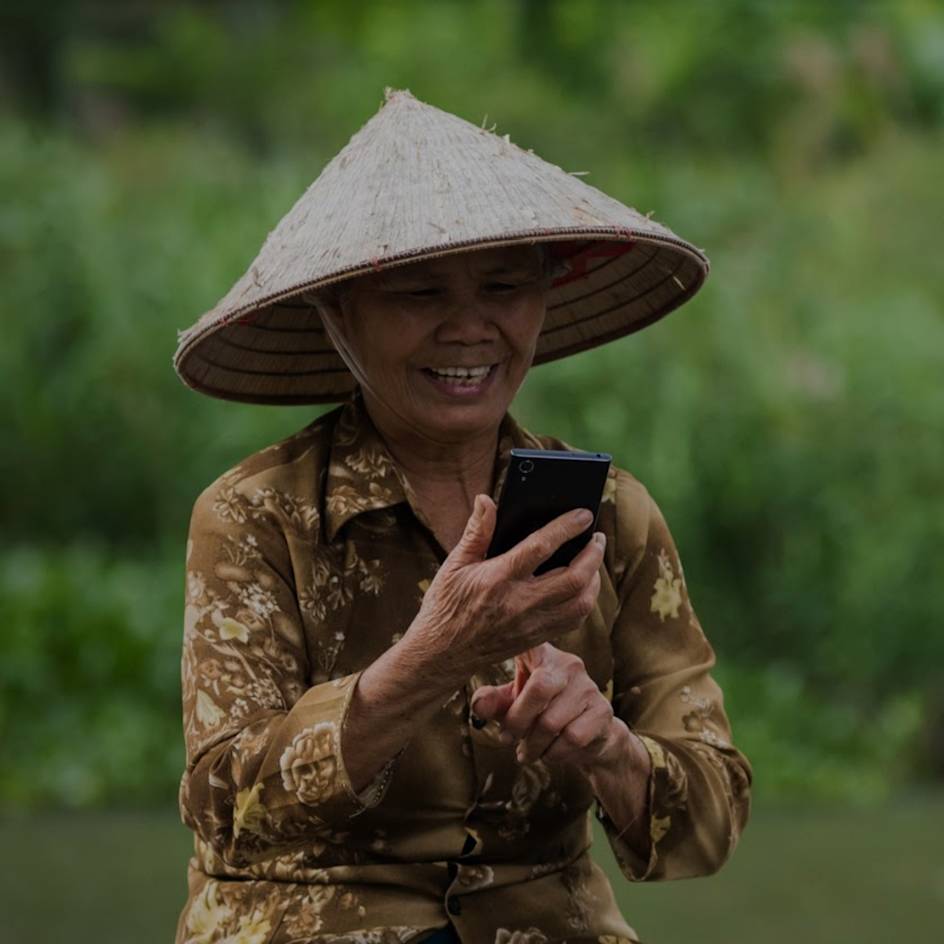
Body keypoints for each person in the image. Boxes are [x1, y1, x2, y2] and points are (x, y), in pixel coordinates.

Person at [171, 89, 752, 944]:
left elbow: (710, 820)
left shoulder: (610, 517)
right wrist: (432, 657)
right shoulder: (257, 518)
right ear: (337, 317)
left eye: (506, 285)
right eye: (417, 293)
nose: (470, 328)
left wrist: (608, 749)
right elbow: (226, 806)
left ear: (544, 297)